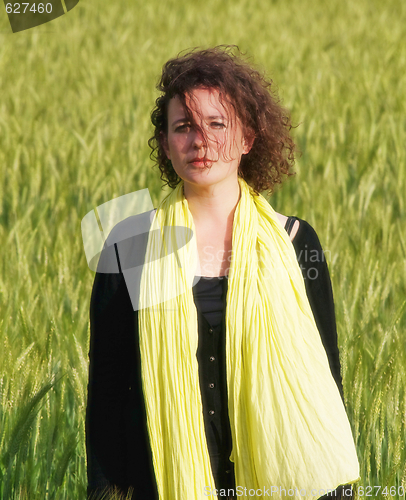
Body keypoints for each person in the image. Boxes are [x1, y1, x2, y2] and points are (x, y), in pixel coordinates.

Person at [86, 46, 359, 500]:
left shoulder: (295, 242)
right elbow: (108, 391)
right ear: (166, 142)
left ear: (248, 137)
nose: (200, 140)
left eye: (218, 123)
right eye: (183, 127)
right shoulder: (129, 245)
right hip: (164, 483)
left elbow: (326, 375)